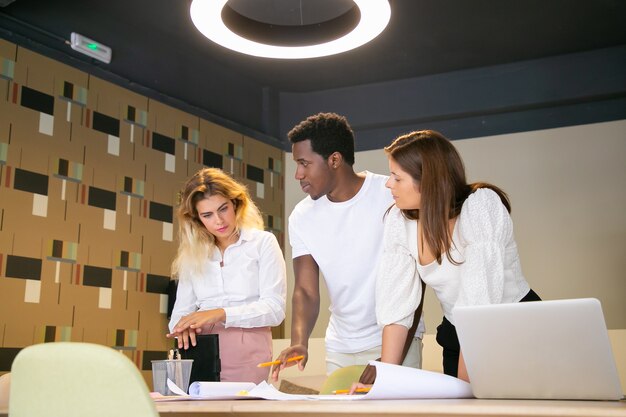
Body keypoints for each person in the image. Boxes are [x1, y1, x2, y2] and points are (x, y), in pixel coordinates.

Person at [375, 129, 540, 382]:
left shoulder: (480, 205)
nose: (388, 184)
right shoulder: (399, 221)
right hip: (458, 336)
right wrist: (385, 380)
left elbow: (479, 303)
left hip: (515, 329)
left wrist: (467, 390)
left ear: (427, 181)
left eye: (397, 178)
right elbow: (397, 310)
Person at [272, 112, 424, 382]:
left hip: (396, 340)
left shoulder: (390, 194)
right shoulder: (301, 216)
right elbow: (306, 290)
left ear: (334, 159)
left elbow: (417, 283)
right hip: (340, 347)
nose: (298, 174)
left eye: (304, 163)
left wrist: (391, 357)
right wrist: (300, 341)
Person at [167, 167, 287, 384]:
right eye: (207, 215)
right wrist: (180, 328)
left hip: (249, 354)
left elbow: (274, 310)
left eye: (223, 209)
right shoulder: (191, 255)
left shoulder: (262, 243)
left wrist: (220, 314)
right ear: (197, 219)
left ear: (236, 204)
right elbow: (179, 315)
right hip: (201, 352)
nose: (219, 221)